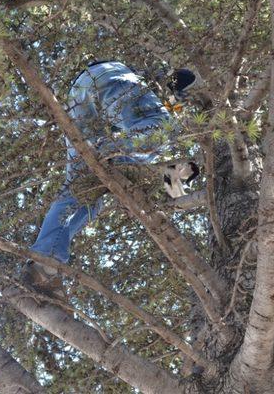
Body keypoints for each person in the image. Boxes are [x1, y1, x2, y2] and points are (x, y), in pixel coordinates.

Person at [22, 61, 200, 296]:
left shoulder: (147, 111)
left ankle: (45, 263)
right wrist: (175, 187)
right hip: (110, 78)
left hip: (81, 93)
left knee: (85, 193)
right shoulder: (162, 93)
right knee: (164, 128)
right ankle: (104, 149)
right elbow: (182, 78)